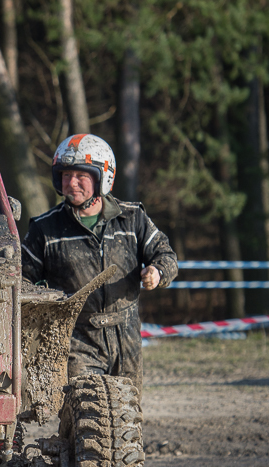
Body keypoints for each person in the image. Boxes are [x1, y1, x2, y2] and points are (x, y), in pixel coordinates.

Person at [21, 133, 178, 393]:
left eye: (81, 176)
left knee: (126, 421)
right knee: (88, 415)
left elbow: (166, 255)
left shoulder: (132, 218)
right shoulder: (44, 229)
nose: (72, 183)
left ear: (103, 177)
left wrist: (157, 272)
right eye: (65, 175)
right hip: (76, 341)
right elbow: (23, 282)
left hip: (126, 338)